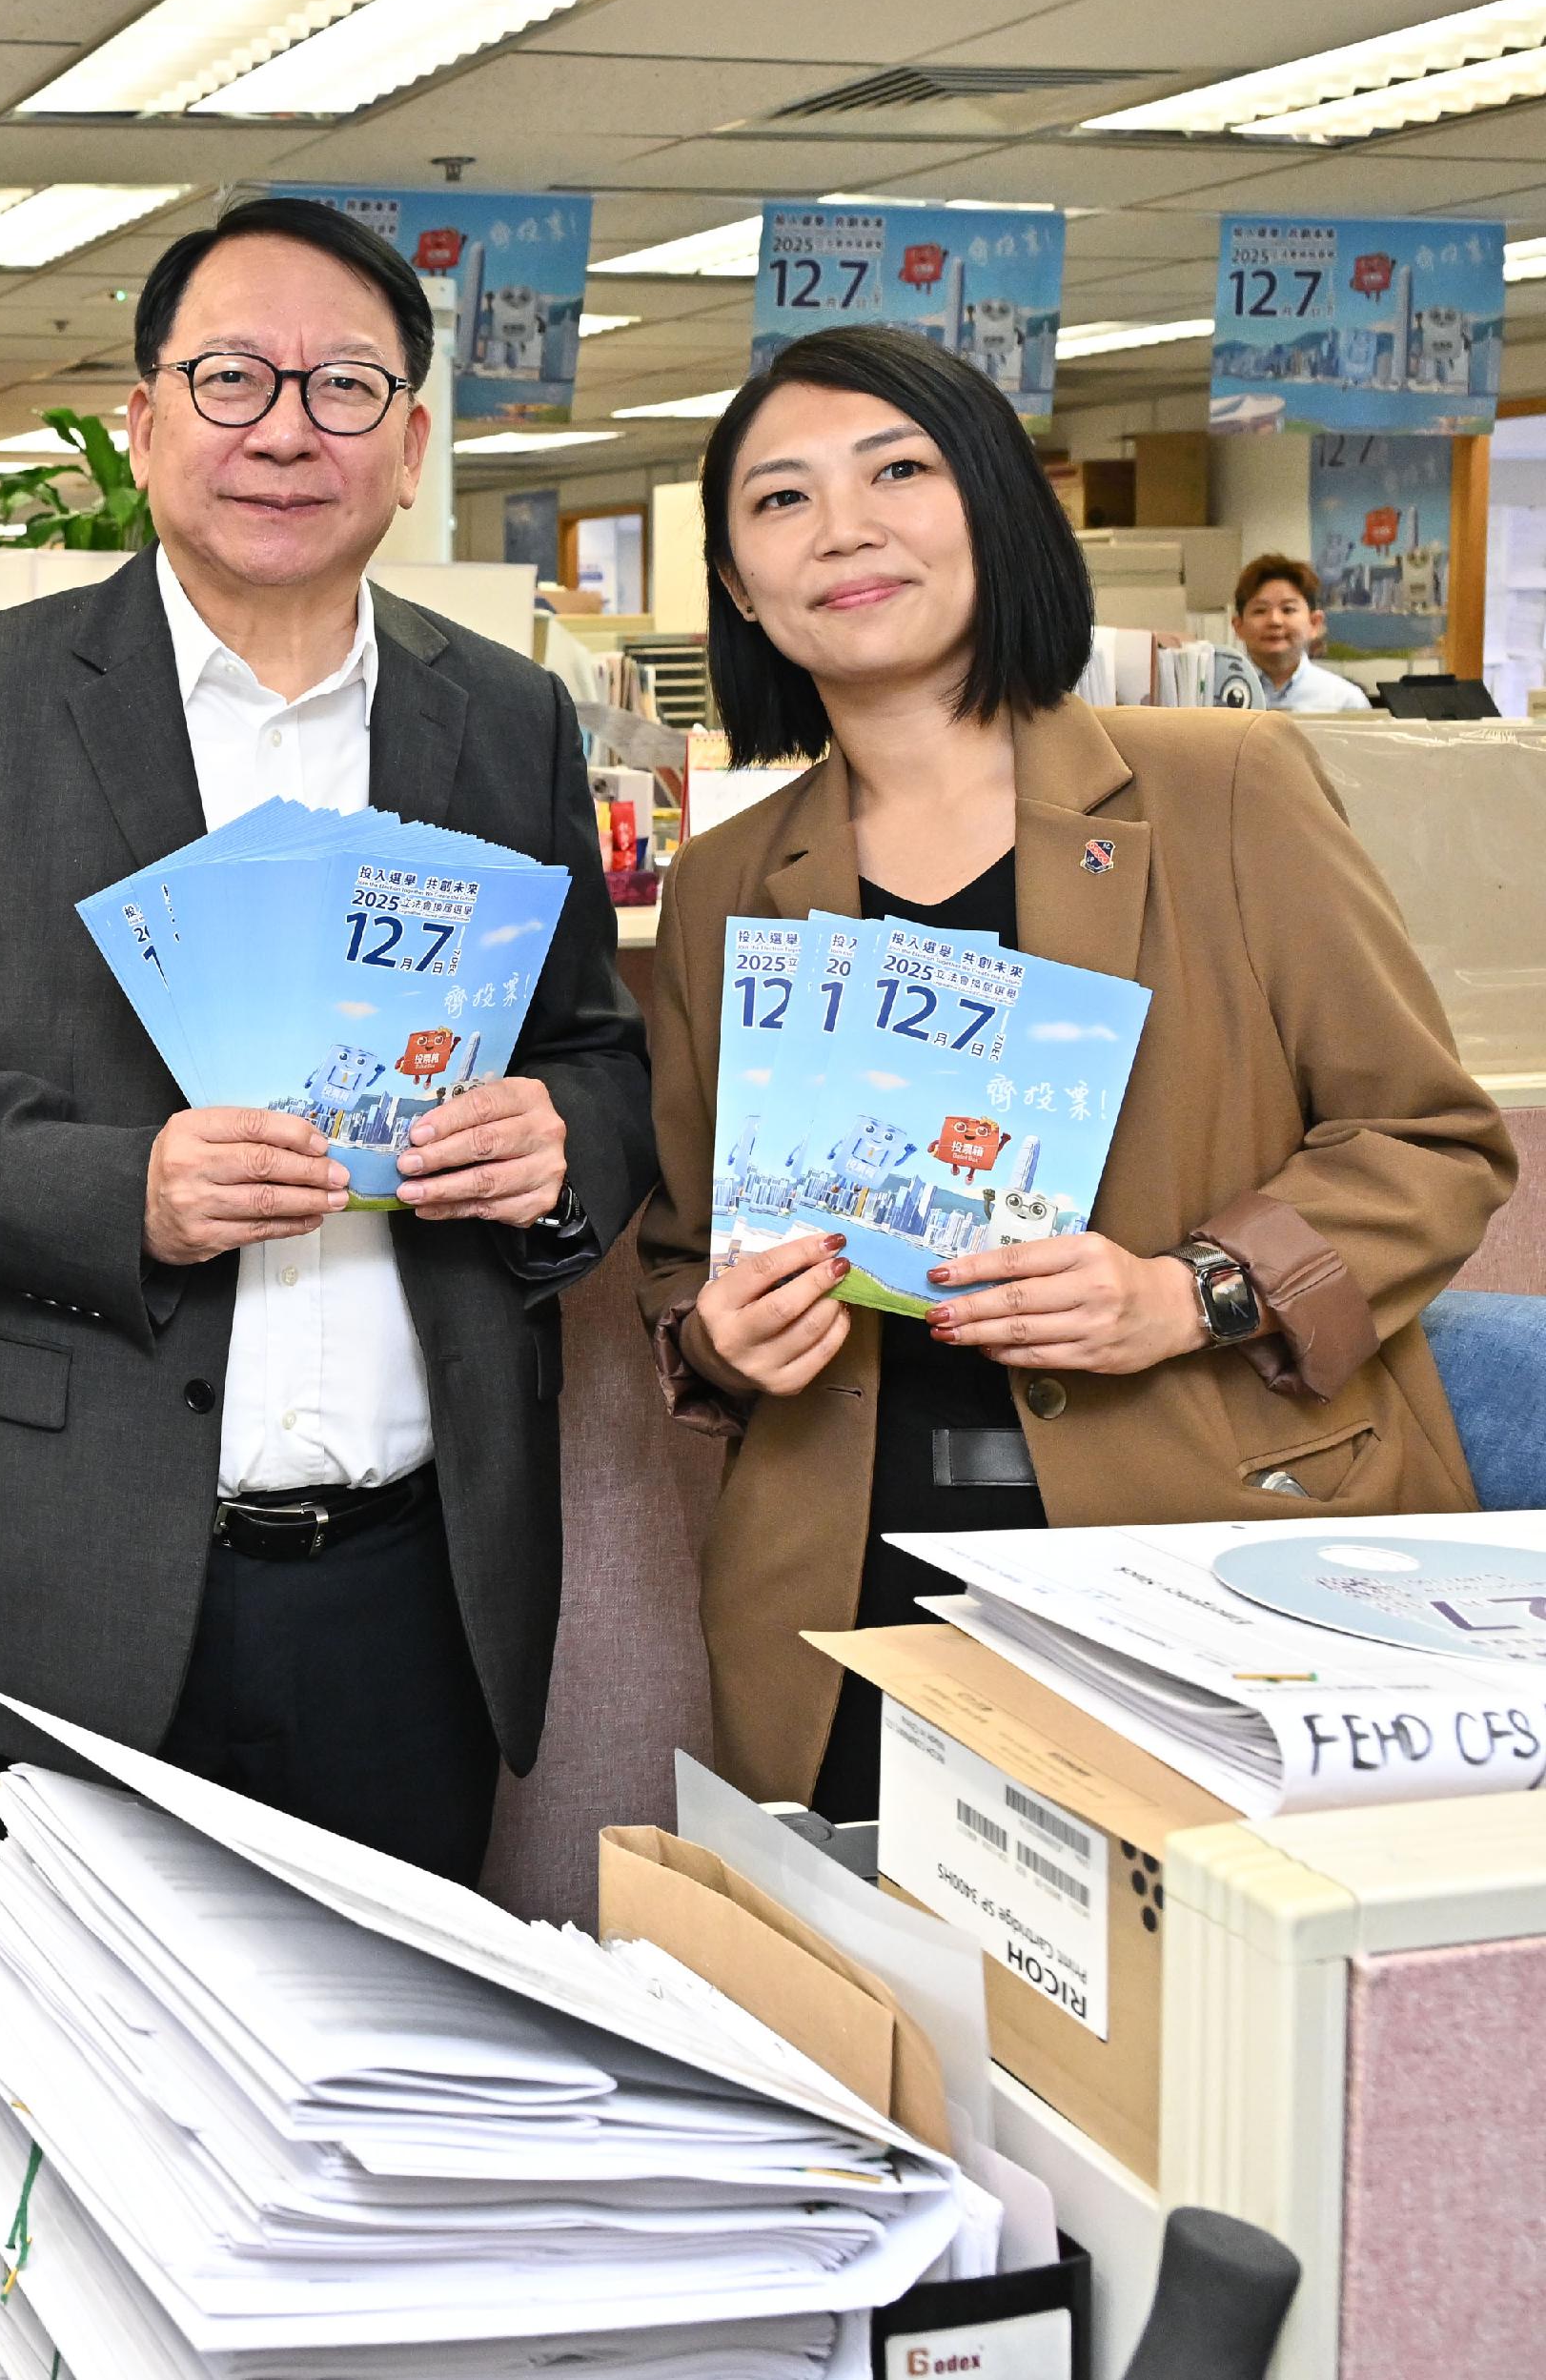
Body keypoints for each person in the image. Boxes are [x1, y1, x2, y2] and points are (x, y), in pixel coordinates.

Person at [0, 195, 655, 1893]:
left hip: (418, 1586)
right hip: (72, 1568)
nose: (283, 430)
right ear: (144, 420)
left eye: (343, 390)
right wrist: (127, 1192)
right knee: (66, 2121)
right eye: (234, 376)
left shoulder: (504, 717)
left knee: (388, 2117)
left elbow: (599, 1057)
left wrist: (560, 1146)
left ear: (408, 447)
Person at [637, 324, 1515, 1817]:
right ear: (736, 583)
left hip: (1206, 1536)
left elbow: (1432, 1143)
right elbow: (680, 1255)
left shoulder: (1224, 789)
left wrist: (1191, 1289)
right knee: (894, 2024)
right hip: (848, 1573)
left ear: (993, 504)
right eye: (779, 500)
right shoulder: (727, 881)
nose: (842, 528)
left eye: (898, 471)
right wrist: (725, 1335)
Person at [1228, 551, 1372, 712]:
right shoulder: (1214, 696)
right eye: (1260, 611)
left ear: (1314, 623)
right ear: (1238, 626)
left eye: (1288, 609)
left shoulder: (1345, 701)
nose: (1274, 621)